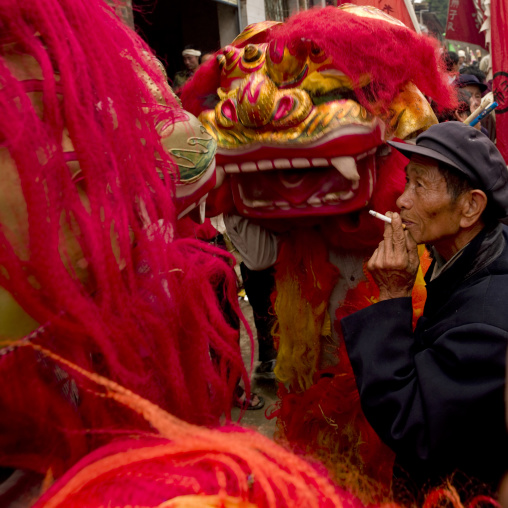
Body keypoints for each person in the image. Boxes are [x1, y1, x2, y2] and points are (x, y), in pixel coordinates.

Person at [340, 122, 508, 494]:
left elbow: (415, 426)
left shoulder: (487, 324)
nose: (401, 201)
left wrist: (392, 296)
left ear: (470, 206)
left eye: (420, 185)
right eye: (407, 181)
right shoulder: (471, 250)